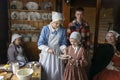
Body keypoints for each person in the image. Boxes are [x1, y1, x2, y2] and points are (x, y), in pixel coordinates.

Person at [38, 11, 67, 80]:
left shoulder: (62, 30)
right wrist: (48, 49)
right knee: (47, 70)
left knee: (57, 71)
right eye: (56, 23)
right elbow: (40, 44)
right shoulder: (45, 29)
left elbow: (62, 43)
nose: (58, 25)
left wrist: (64, 49)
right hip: (47, 53)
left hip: (57, 53)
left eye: (59, 24)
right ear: (52, 21)